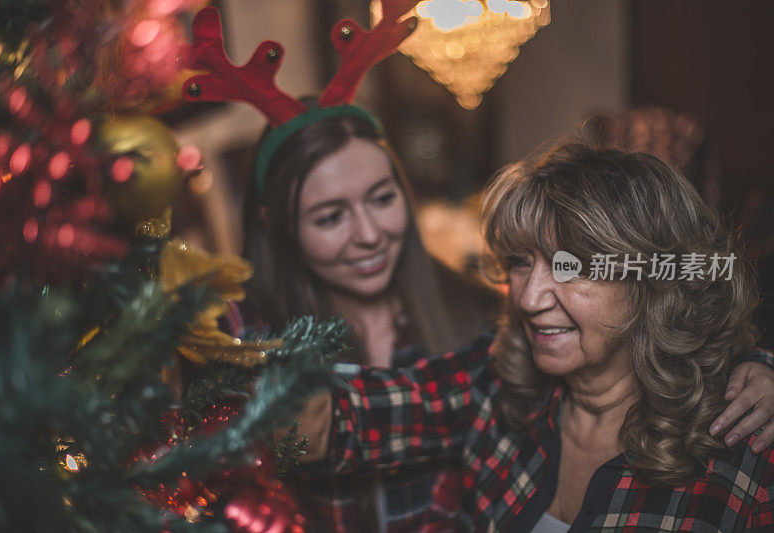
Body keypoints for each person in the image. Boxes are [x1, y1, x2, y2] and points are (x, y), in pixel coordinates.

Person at [294, 142, 774, 531]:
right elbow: (343, 420)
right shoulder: (495, 382)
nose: (528, 298)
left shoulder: (740, 446)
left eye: (571, 266)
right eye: (521, 262)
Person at [226, 105, 502, 532]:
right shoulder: (245, 337)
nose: (370, 235)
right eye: (331, 217)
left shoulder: (481, 314)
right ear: (275, 225)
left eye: (382, 198)